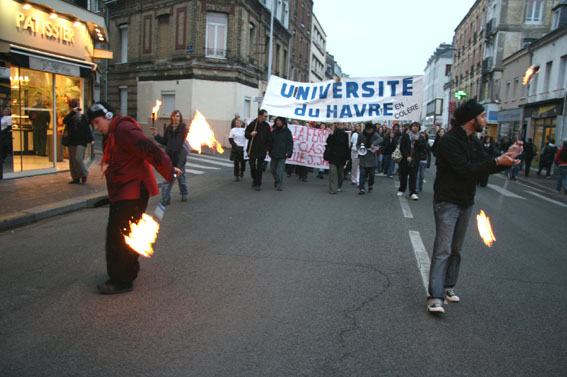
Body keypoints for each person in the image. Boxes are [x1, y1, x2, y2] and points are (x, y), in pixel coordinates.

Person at [427, 99, 522, 313]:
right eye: (482, 117)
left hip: (465, 202)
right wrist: (499, 162)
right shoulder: (449, 141)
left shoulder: (474, 141)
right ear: (472, 119)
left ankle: (448, 286)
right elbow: (466, 169)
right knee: (442, 249)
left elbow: (483, 166)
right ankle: (435, 296)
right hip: (447, 201)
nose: (486, 121)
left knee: (456, 249)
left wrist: (507, 157)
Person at [87, 101, 181, 294]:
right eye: (93, 125)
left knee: (120, 237)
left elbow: (149, 149)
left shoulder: (123, 129)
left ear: (108, 116)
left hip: (133, 191)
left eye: (97, 122)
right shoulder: (113, 131)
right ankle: (128, 269)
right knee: (123, 234)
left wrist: (169, 171)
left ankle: (122, 280)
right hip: (124, 190)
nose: (96, 128)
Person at [152, 110, 189, 205]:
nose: (176, 118)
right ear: (171, 117)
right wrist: (156, 135)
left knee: (181, 179)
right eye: (174, 116)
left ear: (180, 118)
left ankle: (184, 193)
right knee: (167, 180)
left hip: (179, 158)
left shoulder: (183, 128)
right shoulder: (168, 128)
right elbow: (164, 141)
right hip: (169, 159)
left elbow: (186, 143)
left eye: (177, 116)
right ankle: (165, 199)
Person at [62, 100, 94, 184]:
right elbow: (64, 121)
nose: (75, 108)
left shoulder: (83, 117)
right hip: (71, 141)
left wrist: (91, 139)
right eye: (73, 106)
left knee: (78, 158)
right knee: (72, 160)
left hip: (81, 141)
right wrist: (72, 113)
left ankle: (84, 174)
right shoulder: (70, 118)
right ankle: (75, 177)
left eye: (76, 106)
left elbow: (87, 128)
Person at [397, 122, 427, 200]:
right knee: (403, 175)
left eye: (417, 126)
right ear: (411, 127)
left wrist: (418, 141)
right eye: (414, 126)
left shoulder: (420, 137)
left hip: (415, 160)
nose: (415, 128)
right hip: (405, 159)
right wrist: (407, 156)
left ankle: (412, 192)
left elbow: (423, 147)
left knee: (413, 177)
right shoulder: (406, 136)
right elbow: (402, 147)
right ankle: (402, 189)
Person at [245, 109, 272, 191]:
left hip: (262, 149)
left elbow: (269, 138)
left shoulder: (266, 126)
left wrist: (267, 148)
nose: (266, 118)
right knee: (252, 166)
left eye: (267, 116)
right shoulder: (253, 124)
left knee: (260, 167)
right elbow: (246, 134)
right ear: (260, 116)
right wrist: (250, 134)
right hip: (252, 149)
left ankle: (258, 184)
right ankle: (254, 179)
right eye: (265, 116)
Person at [324, 121, 350, 194]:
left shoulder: (345, 135)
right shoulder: (333, 133)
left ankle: (339, 185)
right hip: (333, 156)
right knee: (333, 173)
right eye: (338, 124)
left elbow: (346, 146)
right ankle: (333, 189)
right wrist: (331, 135)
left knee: (340, 174)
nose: (339, 126)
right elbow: (328, 143)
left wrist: (347, 157)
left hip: (341, 157)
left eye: (341, 124)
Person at [357, 122, 382, 195]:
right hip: (363, 156)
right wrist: (360, 148)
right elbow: (357, 144)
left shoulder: (374, 134)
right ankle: (361, 188)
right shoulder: (361, 135)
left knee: (372, 174)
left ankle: (370, 185)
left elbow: (381, 139)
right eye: (368, 130)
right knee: (362, 174)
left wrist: (374, 144)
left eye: (371, 130)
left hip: (372, 157)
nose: (369, 131)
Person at [269, 116, 293, 191]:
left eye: (279, 121)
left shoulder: (287, 131)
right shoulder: (274, 131)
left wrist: (288, 152)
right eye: (277, 120)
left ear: (283, 122)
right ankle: (277, 180)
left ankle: (280, 184)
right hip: (274, 153)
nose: (278, 122)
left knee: (280, 169)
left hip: (283, 153)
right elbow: (270, 141)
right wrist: (269, 150)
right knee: (272, 169)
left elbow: (290, 143)